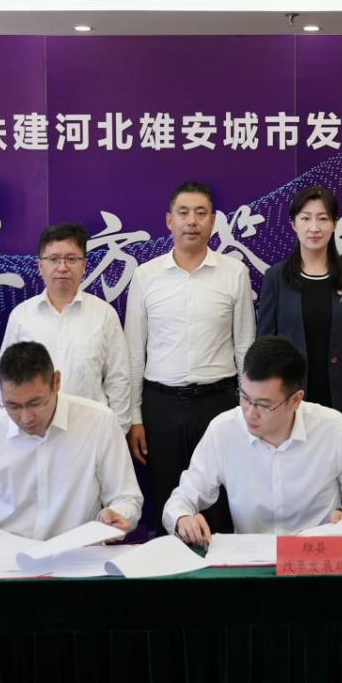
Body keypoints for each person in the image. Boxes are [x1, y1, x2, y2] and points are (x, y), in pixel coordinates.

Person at [125, 181, 255, 531]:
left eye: (201, 213)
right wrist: (135, 417)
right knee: (167, 505)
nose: (192, 221)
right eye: (183, 213)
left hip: (219, 403)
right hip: (161, 407)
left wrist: (248, 408)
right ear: (170, 220)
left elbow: (245, 347)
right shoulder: (145, 276)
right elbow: (134, 353)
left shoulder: (234, 273)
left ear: (213, 221)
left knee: (220, 507)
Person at [164, 336, 342, 542]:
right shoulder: (223, 430)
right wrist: (183, 518)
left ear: (295, 400)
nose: (250, 413)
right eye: (244, 397)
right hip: (252, 559)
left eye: (264, 405)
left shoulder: (332, 428)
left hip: (315, 555)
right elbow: (182, 498)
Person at [0, 341, 141, 546]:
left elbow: (127, 498)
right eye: (13, 406)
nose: (26, 418)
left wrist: (116, 514)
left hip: (79, 554)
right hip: (8, 556)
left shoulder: (98, 421)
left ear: (57, 382)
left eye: (35, 403)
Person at [257, 185, 342, 450]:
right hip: (289, 406)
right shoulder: (276, 278)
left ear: (334, 224)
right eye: (305, 218)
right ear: (293, 224)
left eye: (323, 218)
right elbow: (265, 354)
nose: (314, 227)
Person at [0, 222, 129, 429]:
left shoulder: (104, 315)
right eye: (53, 259)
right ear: (40, 265)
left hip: (90, 430)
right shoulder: (21, 316)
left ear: (84, 265)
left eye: (71, 259)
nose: (62, 267)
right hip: (34, 431)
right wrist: (3, 427)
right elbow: (3, 379)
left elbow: (118, 380)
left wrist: (118, 431)